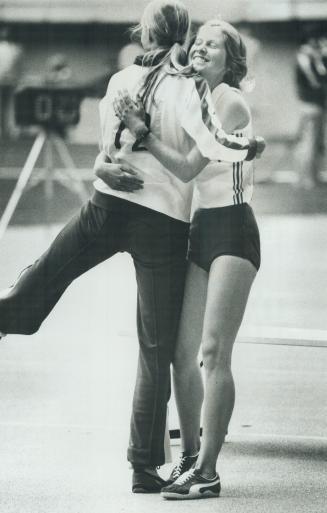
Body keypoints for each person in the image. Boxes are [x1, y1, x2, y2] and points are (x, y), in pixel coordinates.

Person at [0, 1, 262, 493]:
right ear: (184, 39)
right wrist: (246, 146)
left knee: (49, 272)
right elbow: (206, 146)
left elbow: (106, 150)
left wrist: (107, 164)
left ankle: (9, 316)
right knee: (156, 349)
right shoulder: (192, 92)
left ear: (145, 34)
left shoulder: (121, 80)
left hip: (109, 203)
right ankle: (144, 466)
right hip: (162, 221)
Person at [112, 18, 261, 500]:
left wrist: (143, 131)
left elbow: (186, 166)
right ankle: (190, 457)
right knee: (182, 355)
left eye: (212, 45)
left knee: (214, 351)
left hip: (234, 229)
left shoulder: (230, 102)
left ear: (230, 59)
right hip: (200, 229)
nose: (200, 49)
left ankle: (210, 470)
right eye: (197, 43)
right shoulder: (189, 99)